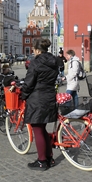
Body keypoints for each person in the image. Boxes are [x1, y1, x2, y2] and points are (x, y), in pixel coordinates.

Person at [21, 38, 58, 171]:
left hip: (37, 98)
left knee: (37, 129)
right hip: (49, 96)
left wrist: (23, 95)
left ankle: (42, 161)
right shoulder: (54, 61)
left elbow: (29, 82)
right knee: (42, 129)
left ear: (37, 50)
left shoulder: (35, 62)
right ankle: (49, 157)